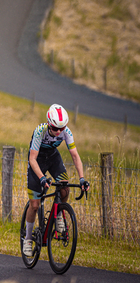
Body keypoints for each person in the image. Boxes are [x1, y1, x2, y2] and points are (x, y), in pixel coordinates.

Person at [22, 104, 90, 258]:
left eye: (62, 128)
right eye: (55, 128)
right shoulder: (40, 131)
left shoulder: (66, 132)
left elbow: (75, 155)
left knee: (65, 187)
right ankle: (27, 239)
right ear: (48, 123)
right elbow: (32, 159)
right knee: (34, 205)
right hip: (37, 160)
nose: (59, 131)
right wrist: (41, 178)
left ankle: (58, 214)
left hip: (53, 158)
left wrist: (82, 178)